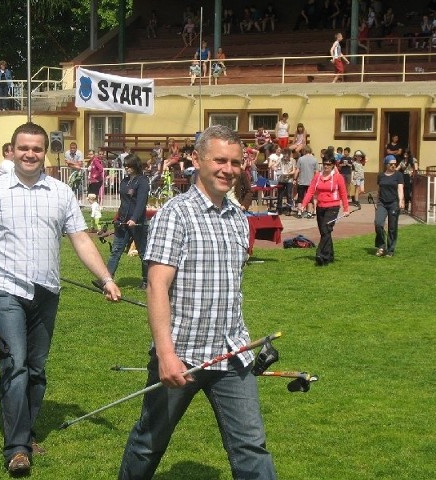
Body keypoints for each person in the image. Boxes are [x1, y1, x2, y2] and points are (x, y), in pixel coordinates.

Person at [118, 125, 277, 480]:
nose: (229, 169)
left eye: (236, 162)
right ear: (197, 160)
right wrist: (166, 354)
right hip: (183, 355)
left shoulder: (238, 218)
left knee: (251, 446)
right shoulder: (176, 213)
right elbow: (156, 287)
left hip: (232, 353)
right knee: (150, 441)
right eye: (220, 160)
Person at [0, 122, 121, 476]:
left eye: (36, 148)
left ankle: (26, 430)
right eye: (23, 148)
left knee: (36, 369)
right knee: (15, 364)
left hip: (47, 291)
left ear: (44, 151)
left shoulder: (61, 192)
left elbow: (80, 239)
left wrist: (106, 278)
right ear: (12, 150)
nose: (30, 154)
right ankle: (17, 448)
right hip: (5, 290)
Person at [105, 154, 150, 289]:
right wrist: (117, 218)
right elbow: (123, 203)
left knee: (143, 253)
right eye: (125, 165)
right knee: (116, 251)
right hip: (122, 222)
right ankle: (106, 280)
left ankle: (146, 281)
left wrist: (134, 219)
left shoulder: (142, 181)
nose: (126, 168)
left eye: (129, 165)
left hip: (137, 223)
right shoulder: (124, 181)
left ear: (135, 165)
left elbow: (141, 202)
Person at [298, 153, 350, 265]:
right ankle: (330, 255)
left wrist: (346, 208)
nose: (326, 166)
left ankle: (321, 254)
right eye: (324, 164)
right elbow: (311, 191)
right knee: (324, 232)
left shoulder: (338, 177)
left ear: (333, 165)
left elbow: (343, 193)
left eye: (328, 164)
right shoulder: (317, 176)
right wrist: (303, 205)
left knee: (326, 229)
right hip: (320, 206)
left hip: (333, 206)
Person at [374, 155, 405, 257]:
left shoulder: (398, 175)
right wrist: (377, 202)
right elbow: (379, 190)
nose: (393, 165)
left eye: (394, 163)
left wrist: (401, 201)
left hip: (394, 203)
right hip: (382, 203)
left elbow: (400, 189)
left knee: (392, 227)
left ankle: (390, 249)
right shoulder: (381, 176)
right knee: (378, 224)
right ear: (386, 164)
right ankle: (381, 246)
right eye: (391, 164)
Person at [295, 145, 319, 217]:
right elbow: (317, 172)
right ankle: (309, 212)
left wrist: (294, 179)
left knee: (300, 197)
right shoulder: (314, 159)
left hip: (301, 181)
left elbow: (297, 170)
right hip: (311, 182)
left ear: (304, 151)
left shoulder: (300, 159)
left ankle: (299, 212)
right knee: (310, 198)